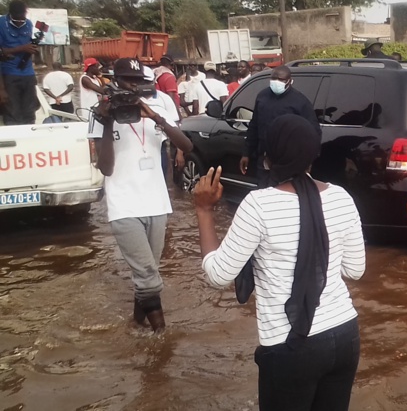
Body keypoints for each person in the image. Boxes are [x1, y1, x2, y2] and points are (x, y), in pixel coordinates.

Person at [194, 114, 365, 411]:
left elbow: (219, 275)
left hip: (291, 346)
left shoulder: (258, 205)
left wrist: (204, 211)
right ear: (314, 154)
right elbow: (355, 270)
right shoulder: (341, 197)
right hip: (344, 334)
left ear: (267, 157)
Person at [88, 58, 194, 333]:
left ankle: (136, 324)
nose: (133, 87)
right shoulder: (99, 113)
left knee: (148, 270)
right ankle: (161, 335)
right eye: (127, 81)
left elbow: (186, 145)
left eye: (138, 82)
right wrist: (109, 122)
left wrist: (154, 117)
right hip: (124, 206)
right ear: (114, 81)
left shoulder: (155, 107)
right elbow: (106, 167)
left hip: (157, 203)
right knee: (148, 274)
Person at [241, 65, 321, 188]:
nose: (277, 82)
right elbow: (254, 126)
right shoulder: (262, 97)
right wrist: (246, 153)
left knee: (285, 193)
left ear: (290, 81)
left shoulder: (300, 102)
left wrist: (308, 160)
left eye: (281, 80)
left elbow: (313, 132)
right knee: (263, 192)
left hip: (288, 161)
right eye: (274, 79)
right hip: (264, 158)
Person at [0, 0, 39, 125]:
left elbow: (29, 45)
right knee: (12, 113)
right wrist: (22, 48)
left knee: (29, 112)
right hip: (9, 73)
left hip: (28, 73)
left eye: (22, 19)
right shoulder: (1, 23)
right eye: (17, 19)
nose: (20, 22)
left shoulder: (29, 24)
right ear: (10, 14)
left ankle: (29, 140)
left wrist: (32, 49)